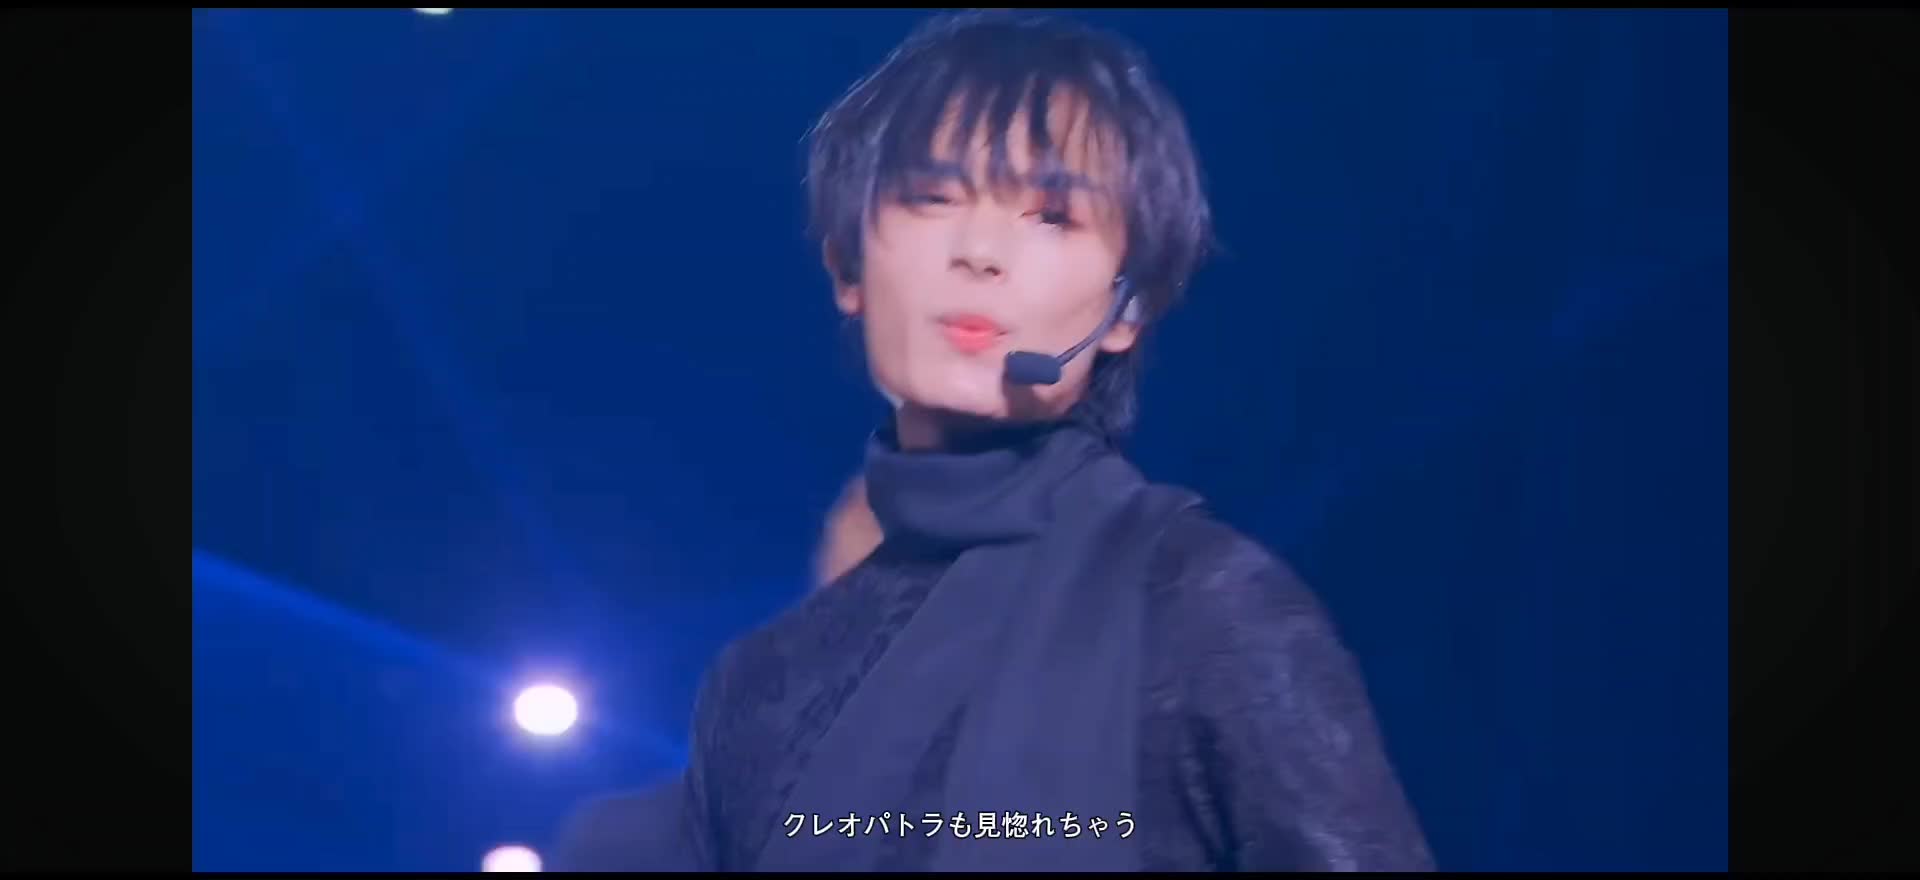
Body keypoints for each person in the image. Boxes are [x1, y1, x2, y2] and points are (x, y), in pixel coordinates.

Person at [559, 9, 1434, 872]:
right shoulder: (759, 684)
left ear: (1128, 308)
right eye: (933, 198)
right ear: (846, 266)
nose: (980, 250)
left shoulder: (1203, 606)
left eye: (1052, 215)